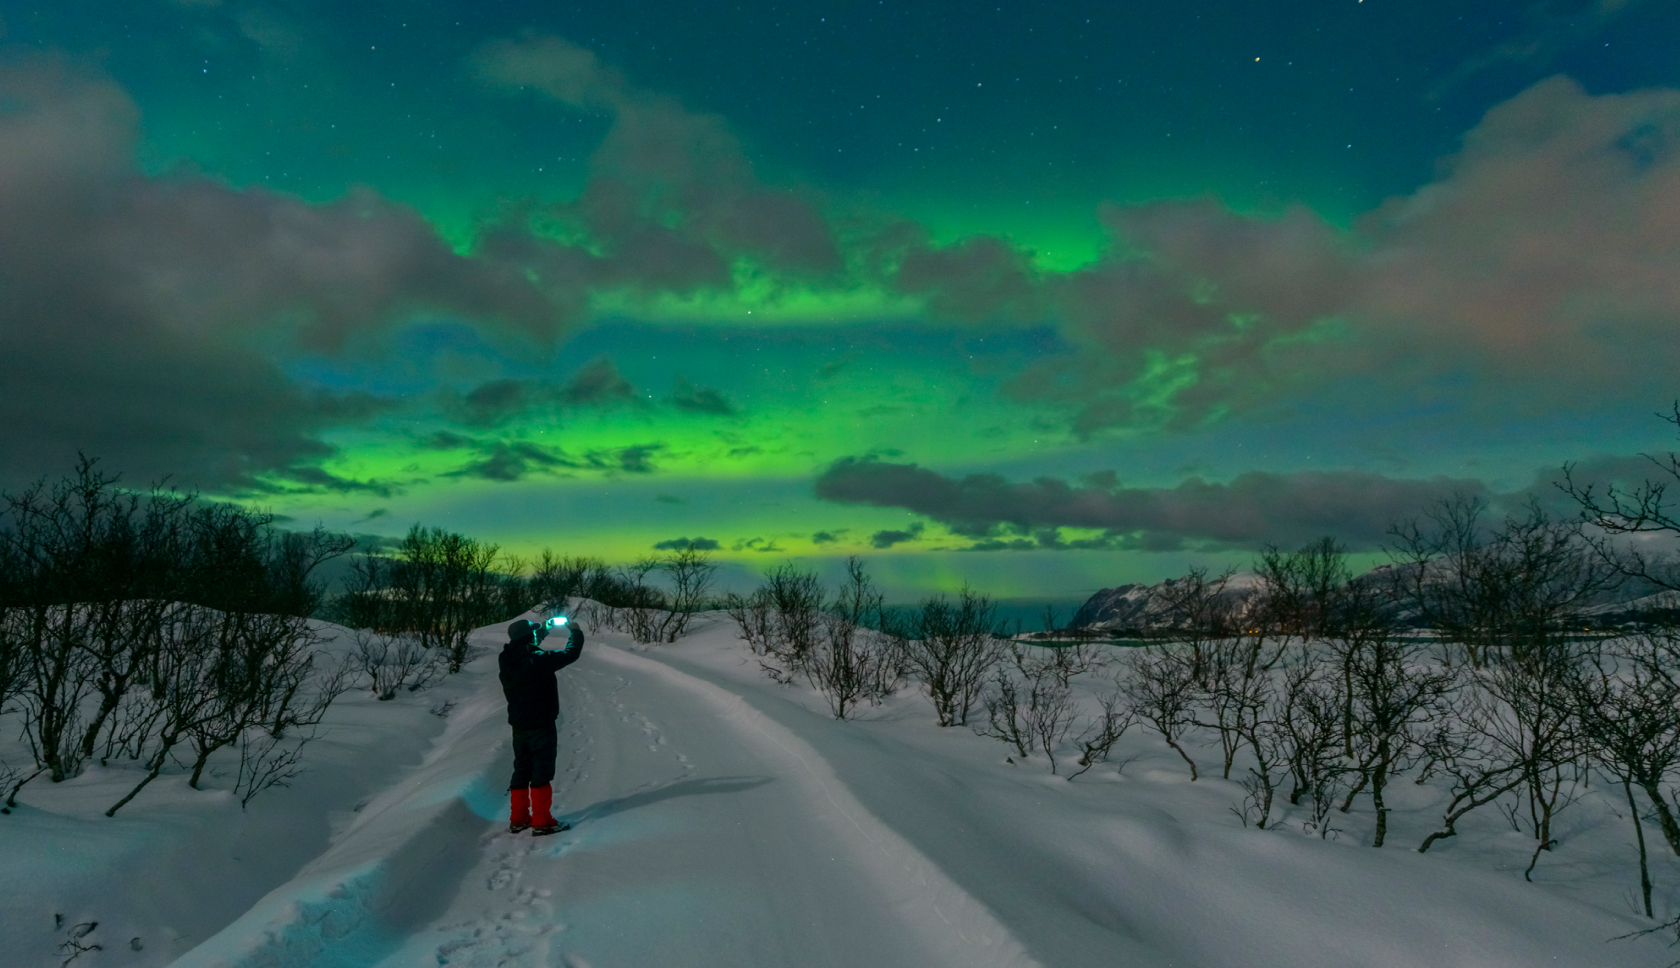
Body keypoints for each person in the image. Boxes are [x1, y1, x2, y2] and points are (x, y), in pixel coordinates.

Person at [498, 615, 584, 835]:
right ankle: (542, 821)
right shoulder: (536, 658)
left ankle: (518, 819)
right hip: (541, 723)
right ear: (529, 636)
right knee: (542, 771)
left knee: (522, 769)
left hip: (519, 725)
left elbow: (526, 646)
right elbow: (570, 654)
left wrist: (544, 629)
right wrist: (575, 632)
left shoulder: (506, 657)